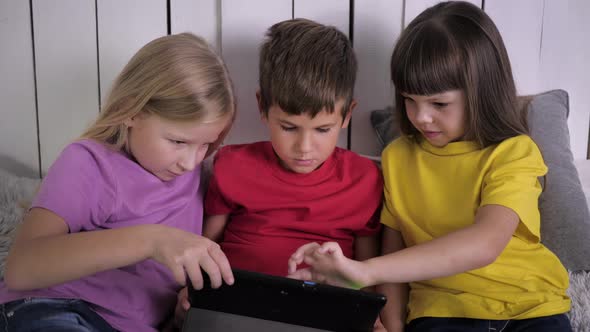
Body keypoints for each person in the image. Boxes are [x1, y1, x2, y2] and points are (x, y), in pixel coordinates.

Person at [287, 2, 572, 332]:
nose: (420, 116)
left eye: (439, 104)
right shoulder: (398, 159)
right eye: (409, 99)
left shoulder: (513, 153)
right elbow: (393, 256)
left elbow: (486, 242)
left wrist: (366, 271)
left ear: (481, 91)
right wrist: (392, 327)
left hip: (531, 309)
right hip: (442, 314)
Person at [0, 32, 236, 332]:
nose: (190, 162)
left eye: (206, 145)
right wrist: (153, 240)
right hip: (55, 309)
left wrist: (183, 308)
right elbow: (22, 268)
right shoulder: (89, 162)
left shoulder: (199, 177)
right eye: (177, 141)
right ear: (131, 112)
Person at [174, 18, 385, 330]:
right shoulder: (233, 166)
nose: (304, 147)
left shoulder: (364, 179)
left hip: (323, 317)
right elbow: (205, 247)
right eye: (288, 127)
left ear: (347, 115)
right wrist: (187, 293)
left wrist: (373, 320)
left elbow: (366, 274)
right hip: (237, 312)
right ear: (262, 106)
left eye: (322, 129)